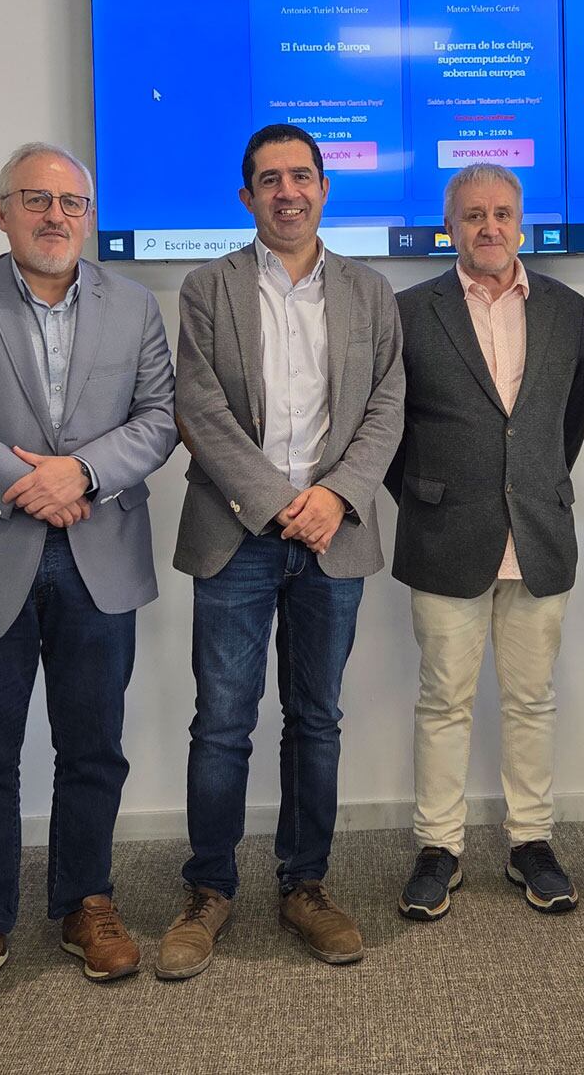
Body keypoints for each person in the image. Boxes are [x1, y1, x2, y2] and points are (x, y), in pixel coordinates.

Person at [0, 141, 177, 1008]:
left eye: (71, 203)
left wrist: (78, 474)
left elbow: (160, 418)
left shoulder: (135, 305)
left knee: (94, 746)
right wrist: (27, 483)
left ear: (89, 216)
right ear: (2, 212)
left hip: (99, 552)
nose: (56, 216)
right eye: (36, 200)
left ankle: (86, 902)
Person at [161, 122, 405, 980]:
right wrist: (278, 505)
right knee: (223, 721)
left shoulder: (371, 291)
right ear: (247, 196)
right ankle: (208, 890)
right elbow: (198, 407)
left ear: (324, 189)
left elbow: (388, 406)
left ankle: (306, 885)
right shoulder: (207, 288)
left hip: (335, 535)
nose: (288, 192)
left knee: (317, 720)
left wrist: (334, 499)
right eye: (270, 180)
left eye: (302, 176)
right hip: (237, 534)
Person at [385, 164, 584, 921]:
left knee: (532, 699)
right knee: (443, 699)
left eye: (503, 213)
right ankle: (438, 848)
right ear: (450, 226)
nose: (489, 226)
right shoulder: (410, 311)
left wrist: (531, 484)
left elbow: (572, 416)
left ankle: (530, 841)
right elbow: (389, 429)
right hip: (445, 534)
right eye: (473, 214)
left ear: (522, 222)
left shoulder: (568, 310)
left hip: (538, 531)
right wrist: (429, 494)